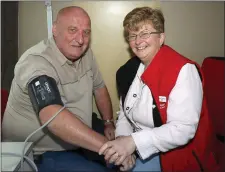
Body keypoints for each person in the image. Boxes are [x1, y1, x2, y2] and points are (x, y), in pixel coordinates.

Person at [99, 7, 221, 172]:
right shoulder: (127, 71)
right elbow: (124, 114)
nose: (137, 41)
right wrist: (123, 143)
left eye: (145, 34)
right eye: (133, 36)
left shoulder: (183, 70)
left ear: (161, 37)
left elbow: (182, 129)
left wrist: (132, 142)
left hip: (176, 154)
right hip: (138, 145)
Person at [2, 6, 115, 171]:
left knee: (123, 153)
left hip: (80, 132)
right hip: (43, 151)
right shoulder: (36, 62)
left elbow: (99, 88)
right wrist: (107, 147)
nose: (81, 39)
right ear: (55, 30)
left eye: (86, 32)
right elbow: (54, 118)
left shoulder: (86, 54)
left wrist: (108, 123)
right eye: (73, 30)